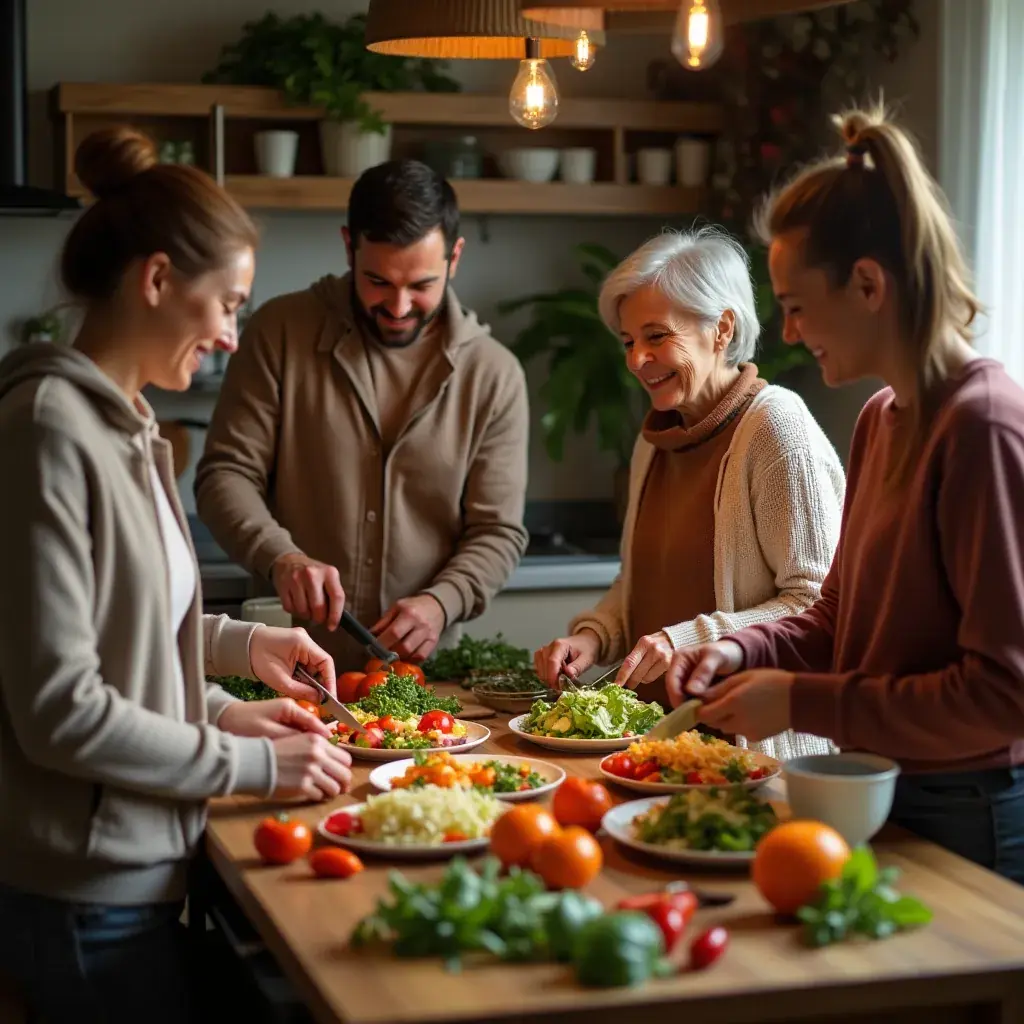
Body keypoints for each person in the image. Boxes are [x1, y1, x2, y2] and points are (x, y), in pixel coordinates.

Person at [0, 126, 354, 1024]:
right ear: (156, 280)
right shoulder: (48, 429)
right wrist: (249, 763)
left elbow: (125, 628)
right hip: (82, 888)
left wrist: (238, 654)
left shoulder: (124, 425)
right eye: (226, 304)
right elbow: (61, 709)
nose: (233, 335)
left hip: (140, 865)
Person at [667, 103, 1024, 883]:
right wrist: (737, 650)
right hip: (879, 791)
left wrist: (802, 701)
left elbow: (1003, 694)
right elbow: (839, 619)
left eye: (794, 306)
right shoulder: (881, 419)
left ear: (868, 284)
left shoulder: (983, 428)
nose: (788, 333)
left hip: (969, 813)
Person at [195, 159, 529, 671]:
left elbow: (497, 531)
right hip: (283, 665)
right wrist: (279, 556)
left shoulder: (493, 374)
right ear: (349, 246)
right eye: (377, 281)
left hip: (428, 677)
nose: (398, 306)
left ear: (455, 257)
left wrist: (443, 601)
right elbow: (225, 474)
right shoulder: (279, 332)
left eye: (420, 285)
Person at [534, 226, 844, 760]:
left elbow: (814, 607)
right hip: (655, 749)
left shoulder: (777, 429)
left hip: (756, 757)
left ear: (722, 329)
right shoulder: (655, 440)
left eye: (657, 336)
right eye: (629, 342)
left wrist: (691, 639)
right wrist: (594, 637)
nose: (636, 360)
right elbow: (641, 581)